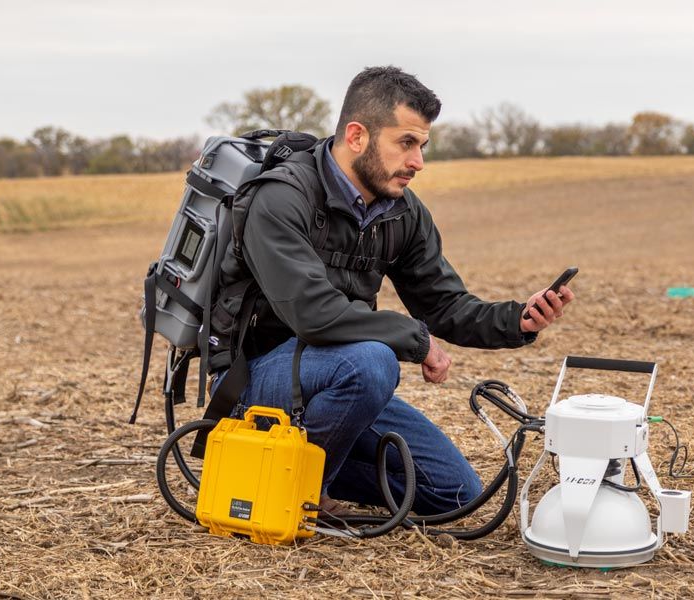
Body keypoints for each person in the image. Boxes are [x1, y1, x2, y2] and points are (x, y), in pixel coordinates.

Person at [205, 66, 574, 515]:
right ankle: (290, 488)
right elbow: (314, 314)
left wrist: (516, 318)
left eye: (422, 145)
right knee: (372, 359)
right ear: (357, 136)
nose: (418, 162)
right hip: (257, 379)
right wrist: (415, 341)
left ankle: (273, 466)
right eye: (406, 143)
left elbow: (443, 303)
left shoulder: (401, 212)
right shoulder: (281, 197)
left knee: (456, 493)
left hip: (340, 380)